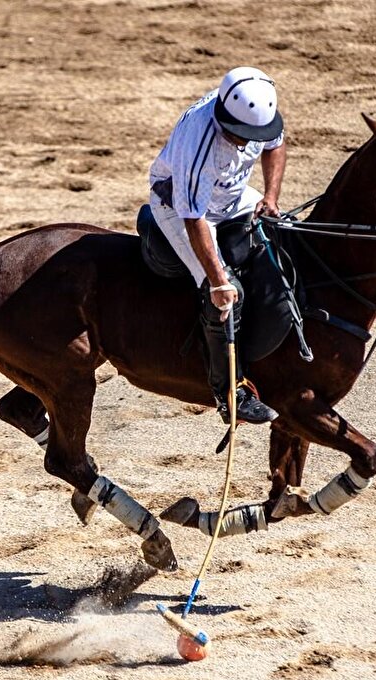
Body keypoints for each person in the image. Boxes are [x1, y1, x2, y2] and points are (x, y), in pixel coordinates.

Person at [147, 66, 286, 424]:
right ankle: (230, 393)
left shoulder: (258, 113)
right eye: (239, 135)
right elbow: (194, 217)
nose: (243, 142)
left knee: (288, 234)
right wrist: (218, 281)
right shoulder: (199, 144)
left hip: (232, 196)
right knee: (224, 294)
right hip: (179, 206)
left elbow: (275, 146)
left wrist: (270, 196)